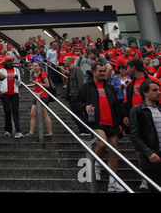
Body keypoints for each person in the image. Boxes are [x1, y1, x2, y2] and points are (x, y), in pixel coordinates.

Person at [75, 62, 125, 192]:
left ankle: (113, 181)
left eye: (104, 71)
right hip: (96, 121)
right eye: (100, 71)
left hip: (111, 121)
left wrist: (119, 122)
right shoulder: (86, 86)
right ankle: (96, 164)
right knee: (102, 144)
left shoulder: (109, 87)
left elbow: (116, 106)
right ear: (93, 71)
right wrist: (85, 107)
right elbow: (78, 102)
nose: (103, 73)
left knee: (114, 149)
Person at [129, 80, 161, 193]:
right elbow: (135, 136)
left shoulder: (159, 109)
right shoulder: (137, 110)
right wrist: (148, 152)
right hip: (151, 157)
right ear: (145, 93)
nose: (159, 92)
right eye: (154, 90)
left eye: (159, 89)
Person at [0, 57, 22, 138]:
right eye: (7, 61)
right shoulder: (1, 71)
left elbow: (19, 84)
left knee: (15, 112)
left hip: (14, 93)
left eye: (10, 61)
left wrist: (17, 79)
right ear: (5, 62)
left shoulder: (16, 70)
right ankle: (7, 130)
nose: (9, 63)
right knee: (7, 111)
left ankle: (18, 130)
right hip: (5, 94)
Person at [64, 56, 89, 135]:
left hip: (76, 95)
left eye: (65, 60)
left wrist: (80, 96)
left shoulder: (76, 70)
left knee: (76, 113)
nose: (63, 62)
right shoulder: (70, 71)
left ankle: (85, 129)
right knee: (75, 113)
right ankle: (84, 129)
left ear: (70, 60)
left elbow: (80, 83)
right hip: (72, 95)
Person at [27, 62, 53, 137]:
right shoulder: (36, 76)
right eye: (33, 66)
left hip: (43, 96)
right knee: (32, 114)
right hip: (37, 96)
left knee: (45, 114)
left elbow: (47, 85)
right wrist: (32, 89)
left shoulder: (42, 74)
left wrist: (37, 83)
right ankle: (31, 132)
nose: (34, 67)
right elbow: (37, 88)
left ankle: (50, 132)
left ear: (39, 67)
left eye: (36, 66)